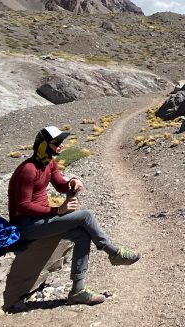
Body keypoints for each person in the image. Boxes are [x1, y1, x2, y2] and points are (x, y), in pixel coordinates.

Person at [8, 126, 139, 306]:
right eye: (57, 143)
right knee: (86, 216)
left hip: (41, 221)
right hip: (27, 225)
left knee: (82, 235)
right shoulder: (28, 169)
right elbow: (23, 206)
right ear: (43, 145)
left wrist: (72, 181)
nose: (61, 146)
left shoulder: (49, 163)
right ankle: (113, 253)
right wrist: (57, 211)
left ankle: (78, 290)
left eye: (61, 142)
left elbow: (61, 185)